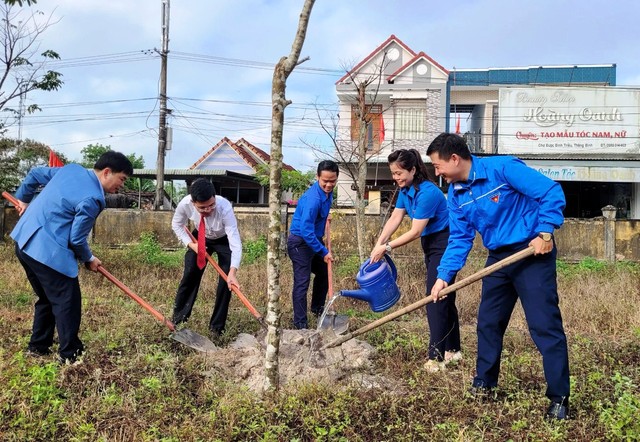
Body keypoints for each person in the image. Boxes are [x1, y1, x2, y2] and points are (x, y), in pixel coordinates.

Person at [427, 133, 570, 420]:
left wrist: (545, 231)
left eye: (438, 165)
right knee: (488, 323)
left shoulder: (502, 169)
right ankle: (485, 383)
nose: (437, 172)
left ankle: (559, 398)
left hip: (532, 253)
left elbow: (550, 192)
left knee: (544, 326)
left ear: (454, 159)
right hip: (498, 259)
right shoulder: (455, 196)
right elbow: (459, 239)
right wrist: (443, 276)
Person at [11, 151, 133, 364]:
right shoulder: (94, 198)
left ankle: (38, 347)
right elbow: (77, 239)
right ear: (106, 172)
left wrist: (23, 199)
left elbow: (35, 173)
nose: (121, 185)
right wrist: (89, 258)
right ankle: (70, 355)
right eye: (122, 179)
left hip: (23, 242)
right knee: (67, 301)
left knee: (48, 298)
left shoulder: (71, 170)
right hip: (46, 253)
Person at [369, 149, 460, 372]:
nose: (396, 178)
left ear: (413, 169)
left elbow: (416, 230)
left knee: (435, 297)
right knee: (444, 295)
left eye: (400, 173)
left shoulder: (428, 193)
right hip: (430, 244)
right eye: (393, 174)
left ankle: (436, 358)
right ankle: (454, 350)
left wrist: (388, 247)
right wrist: (379, 242)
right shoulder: (406, 189)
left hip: (445, 243)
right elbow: (396, 217)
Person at [171, 178, 242, 337]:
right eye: (202, 208)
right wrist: (191, 244)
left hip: (223, 240)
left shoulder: (224, 207)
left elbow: (234, 240)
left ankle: (216, 328)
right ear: (193, 202)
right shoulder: (184, 204)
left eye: (211, 205)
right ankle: (178, 320)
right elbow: (176, 225)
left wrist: (233, 271)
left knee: (226, 282)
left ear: (214, 197)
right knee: (190, 275)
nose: (208, 209)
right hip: (199, 238)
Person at [287, 160, 338, 329]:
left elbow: (318, 216)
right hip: (300, 242)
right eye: (325, 181)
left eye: (333, 181)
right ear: (317, 177)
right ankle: (300, 324)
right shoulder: (312, 199)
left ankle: (317, 309)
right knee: (302, 282)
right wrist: (323, 251)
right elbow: (306, 230)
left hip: (313, 239)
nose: (329, 185)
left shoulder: (327, 194)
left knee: (323, 272)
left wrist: (324, 217)